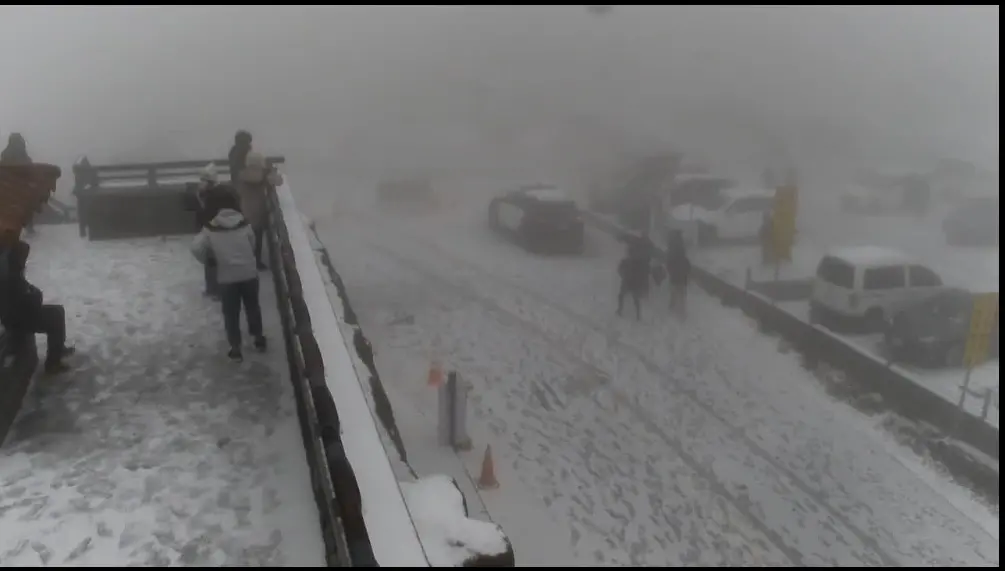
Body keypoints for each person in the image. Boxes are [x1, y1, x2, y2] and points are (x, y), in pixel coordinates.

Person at [190, 192, 267, 362]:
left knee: (231, 313)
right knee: (252, 307)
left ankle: (236, 348)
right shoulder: (245, 224)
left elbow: (196, 247)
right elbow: (253, 243)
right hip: (249, 273)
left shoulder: (210, 228)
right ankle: (258, 339)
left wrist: (209, 259)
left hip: (227, 276)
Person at [0, 240, 75, 374]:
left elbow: (26, 292)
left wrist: (32, 293)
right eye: (24, 257)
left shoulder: (12, 271)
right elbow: (29, 300)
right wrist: (35, 294)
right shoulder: (10, 276)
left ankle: (58, 349)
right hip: (17, 320)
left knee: (57, 310)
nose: (25, 260)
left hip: (17, 315)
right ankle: (53, 363)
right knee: (55, 317)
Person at [236, 151, 281, 271]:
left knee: (249, 238)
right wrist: (270, 172)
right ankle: (256, 262)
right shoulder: (260, 175)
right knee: (257, 238)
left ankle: (249, 261)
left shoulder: (243, 173)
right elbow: (278, 181)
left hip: (246, 209)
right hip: (257, 210)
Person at [1, 133, 36, 235]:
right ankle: (29, 228)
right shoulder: (22, 153)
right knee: (27, 207)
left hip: (9, 186)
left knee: (10, 210)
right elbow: (29, 168)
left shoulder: (5, 154)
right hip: (22, 186)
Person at [616, 250, 648, 320]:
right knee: (635, 299)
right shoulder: (639, 262)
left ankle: (620, 310)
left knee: (622, 296)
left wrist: (623, 275)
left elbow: (619, 270)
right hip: (634, 283)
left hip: (628, 282)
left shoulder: (626, 261)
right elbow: (643, 273)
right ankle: (638, 315)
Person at [666, 246, 691, 318]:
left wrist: (671, 273)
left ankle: (671, 309)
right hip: (682, 281)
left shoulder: (673, 259)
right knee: (682, 297)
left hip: (674, 280)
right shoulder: (685, 260)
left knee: (673, 296)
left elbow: (668, 267)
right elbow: (689, 269)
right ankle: (682, 313)